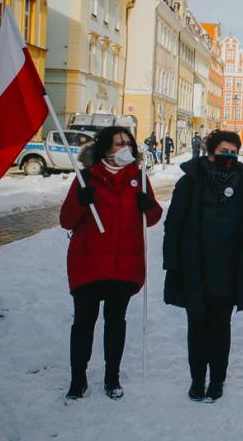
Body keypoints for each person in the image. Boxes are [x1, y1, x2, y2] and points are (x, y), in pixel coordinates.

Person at [162, 130, 243, 402]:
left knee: (221, 328)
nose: (230, 156)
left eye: (234, 152)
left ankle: (217, 381)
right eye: (225, 151)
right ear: (211, 152)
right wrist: (172, 263)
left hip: (228, 268)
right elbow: (173, 224)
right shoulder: (190, 182)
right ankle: (197, 380)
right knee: (197, 327)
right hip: (195, 266)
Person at [59, 126, 163, 400]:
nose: (125, 148)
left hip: (123, 264)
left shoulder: (139, 178)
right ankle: (78, 378)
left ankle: (112, 378)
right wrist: (82, 202)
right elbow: (67, 221)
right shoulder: (85, 178)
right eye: (118, 143)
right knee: (84, 323)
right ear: (105, 148)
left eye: (128, 143)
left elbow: (152, 218)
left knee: (115, 322)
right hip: (89, 263)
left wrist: (147, 204)